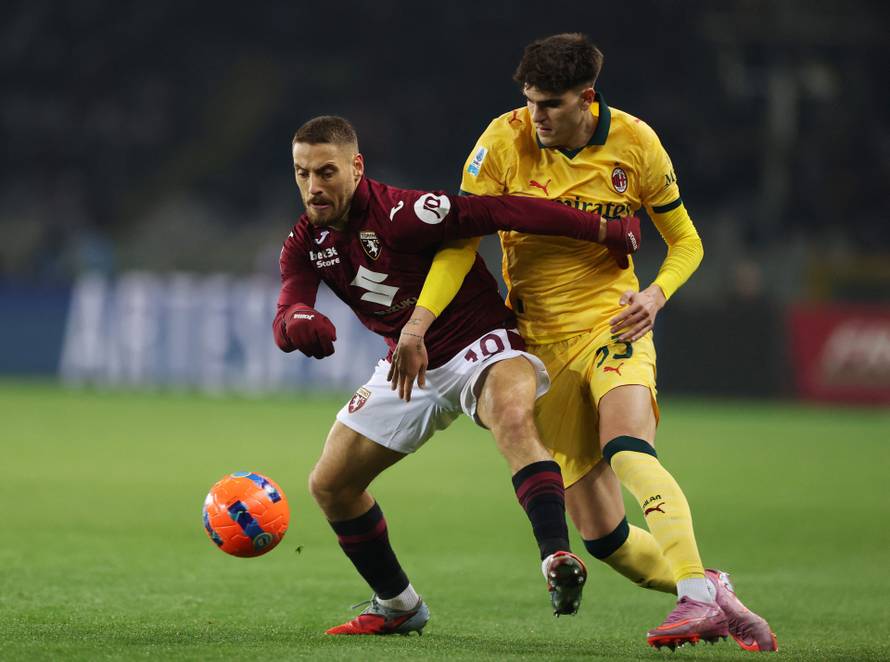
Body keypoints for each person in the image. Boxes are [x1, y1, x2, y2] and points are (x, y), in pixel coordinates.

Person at [391, 34, 777, 652]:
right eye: (529, 100)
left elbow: (687, 242)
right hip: (538, 348)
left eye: (548, 103)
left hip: (612, 324)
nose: (535, 115)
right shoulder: (501, 141)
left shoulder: (636, 143)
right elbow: (459, 244)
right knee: (605, 539)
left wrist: (654, 296)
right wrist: (417, 324)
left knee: (627, 446)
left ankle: (696, 601)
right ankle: (712, 585)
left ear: (586, 99)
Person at [274, 115, 642, 636]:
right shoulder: (305, 242)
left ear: (356, 167)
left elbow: (500, 210)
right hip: (408, 367)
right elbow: (289, 299)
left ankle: (556, 557)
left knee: (513, 419)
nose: (313, 188)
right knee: (331, 485)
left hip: (480, 344)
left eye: (326, 172)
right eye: (302, 173)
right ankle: (398, 604)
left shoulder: (404, 212)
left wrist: (603, 229)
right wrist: (294, 323)